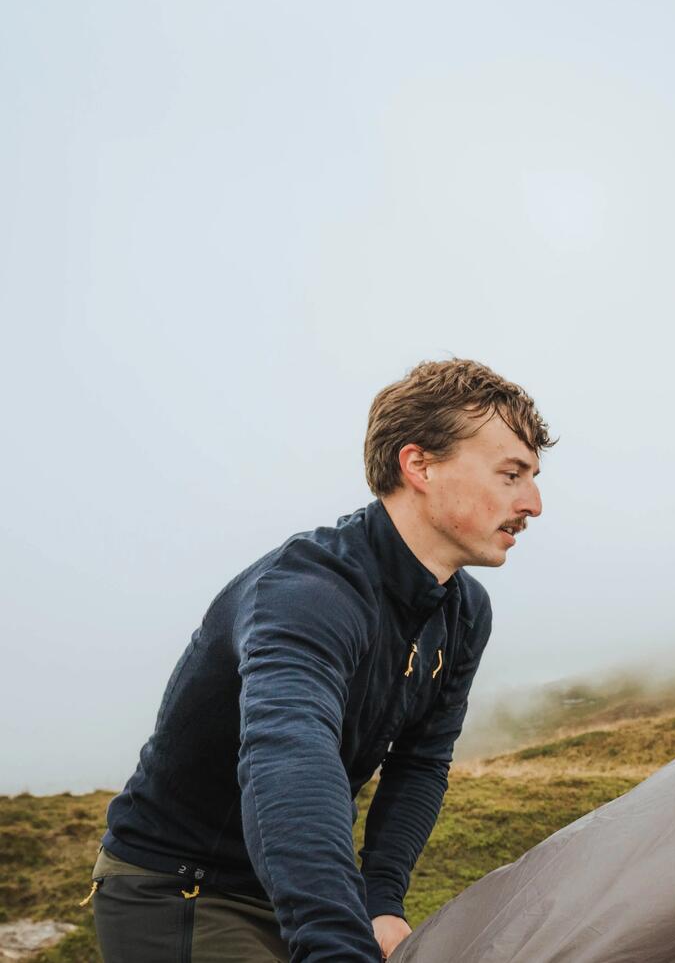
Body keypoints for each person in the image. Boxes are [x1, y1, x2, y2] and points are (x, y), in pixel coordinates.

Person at [88, 358, 553, 961]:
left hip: (294, 883)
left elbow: (421, 760)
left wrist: (381, 901)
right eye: (511, 474)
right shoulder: (309, 592)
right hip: (183, 886)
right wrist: (337, 945)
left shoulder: (464, 611)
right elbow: (288, 754)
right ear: (420, 465)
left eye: (533, 477)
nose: (535, 503)